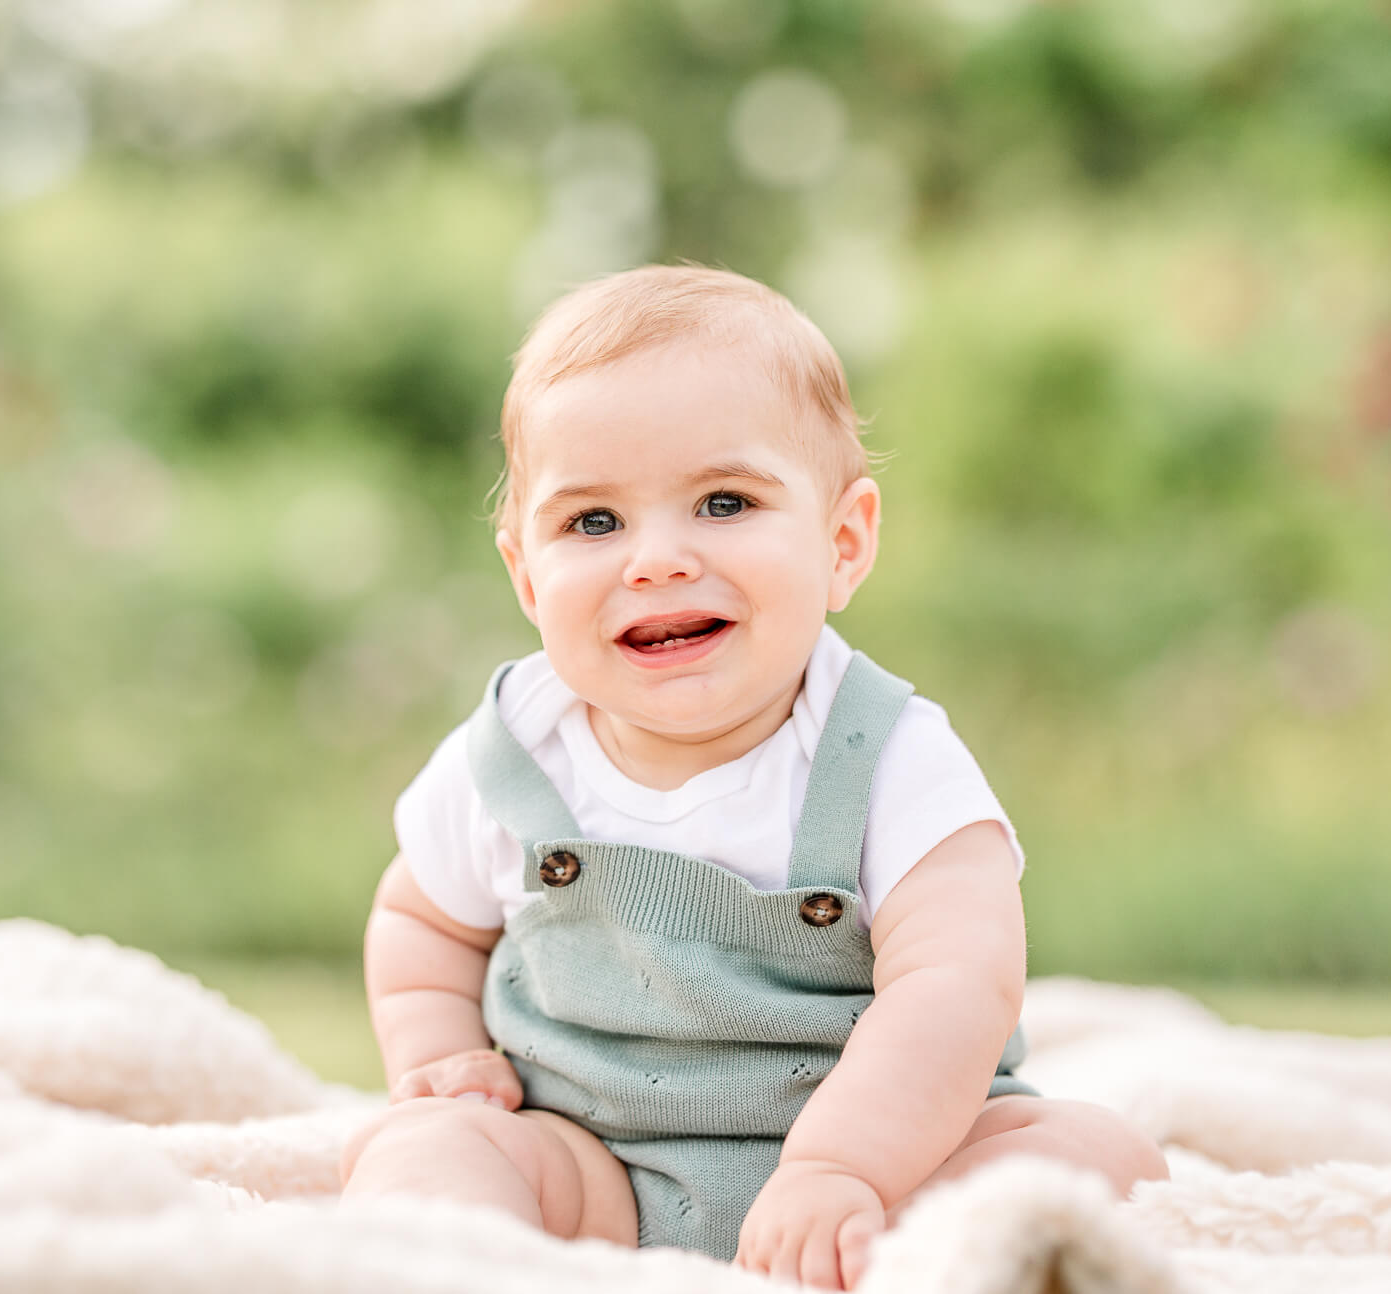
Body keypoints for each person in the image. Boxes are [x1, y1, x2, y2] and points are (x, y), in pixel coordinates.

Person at [338, 265, 1167, 1290]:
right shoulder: (510, 755)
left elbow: (960, 984)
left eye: (723, 502)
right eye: (592, 522)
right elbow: (422, 921)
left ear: (844, 542)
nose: (656, 559)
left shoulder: (889, 756)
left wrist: (840, 1167)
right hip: (595, 1169)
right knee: (420, 1154)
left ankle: (940, 1267)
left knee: (1097, 1160)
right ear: (525, 575)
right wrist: (439, 1057)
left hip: (888, 1175)